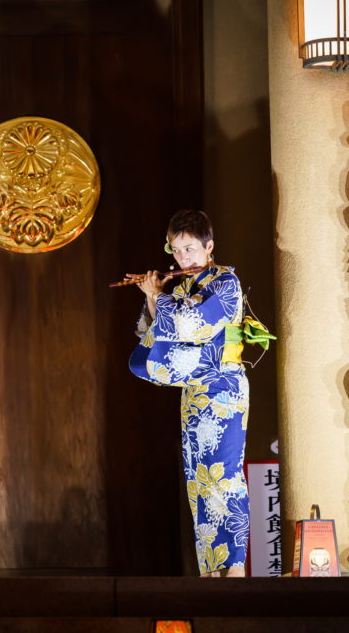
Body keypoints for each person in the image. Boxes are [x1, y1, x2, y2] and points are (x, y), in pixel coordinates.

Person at [130, 208, 250, 577]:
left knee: (224, 476)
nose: (183, 258)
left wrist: (159, 298)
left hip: (223, 386)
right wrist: (154, 297)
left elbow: (190, 326)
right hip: (195, 391)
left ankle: (234, 567)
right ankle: (210, 570)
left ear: (208, 246)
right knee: (199, 480)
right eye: (177, 251)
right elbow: (152, 338)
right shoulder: (183, 286)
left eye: (190, 249)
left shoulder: (225, 282)